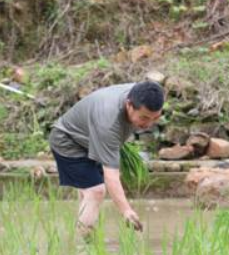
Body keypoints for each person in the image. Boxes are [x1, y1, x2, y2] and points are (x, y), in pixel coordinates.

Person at [49, 81, 164, 239]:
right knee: (96, 191)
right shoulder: (108, 123)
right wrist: (126, 210)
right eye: (144, 118)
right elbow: (111, 175)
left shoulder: (143, 93)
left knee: (88, 192)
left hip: (89, 137)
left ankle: (82, 236)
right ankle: (85, 246)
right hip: (68, 140)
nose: (149, 124)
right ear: (129, 104)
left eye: (155, 118)